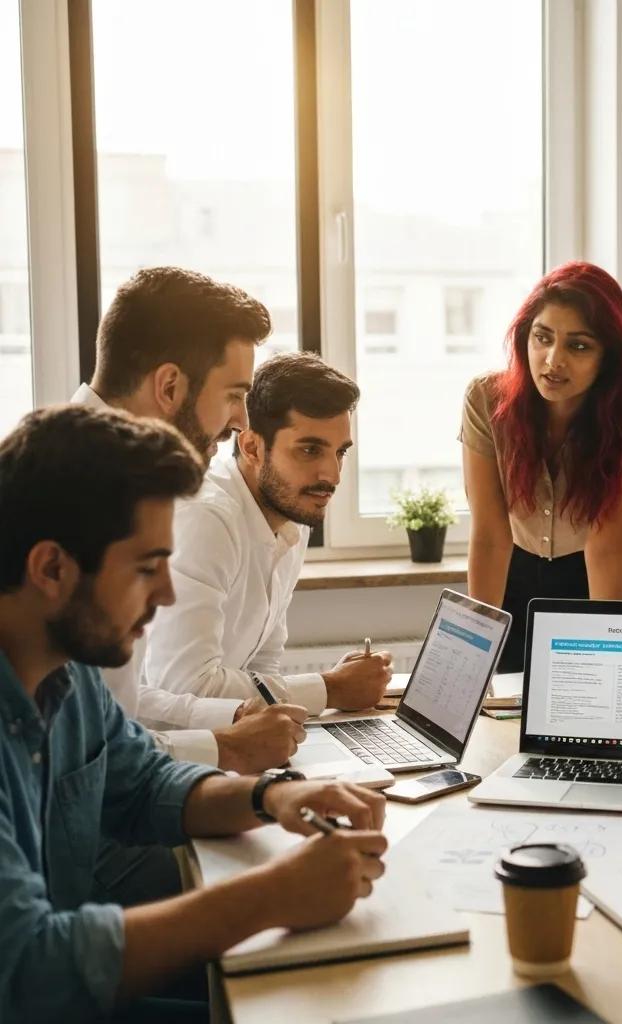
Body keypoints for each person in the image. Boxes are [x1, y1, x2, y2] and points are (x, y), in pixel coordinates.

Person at [0, 406, 387, 1022]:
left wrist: (272, 798)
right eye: (147, 568)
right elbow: (30, 970)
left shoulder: (67, 674)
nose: (166, 594)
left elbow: (143, 783)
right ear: (51, 568)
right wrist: (271, 896)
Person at [71, 266, 306, 774]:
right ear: (171, 386)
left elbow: (116, 713)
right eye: (233, 395)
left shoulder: (121, 482)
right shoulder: (71, 501)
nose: (243, 421)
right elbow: (89, 760)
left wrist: (232, 734)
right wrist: (230, 749)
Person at [144, 351, 392, 713]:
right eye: (310, 450)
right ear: (252, 447)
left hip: (233, 741)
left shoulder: (292, 517)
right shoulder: (207, 519)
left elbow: (262, 666)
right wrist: (328, 690)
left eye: (340, 452)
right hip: (167, 752)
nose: (332, 476)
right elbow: (186, 686)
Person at [460, 261, 622, 672]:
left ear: (607, 357)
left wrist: (607, 659)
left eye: (578, 346)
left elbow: (606, 544)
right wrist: (474, 649)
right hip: (513, 573)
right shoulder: (486, 399)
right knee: (497, 711)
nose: (552, 360)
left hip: (594, 576)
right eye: (543, 338)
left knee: (591, 713)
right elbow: (489, 535)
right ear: (526, 337)